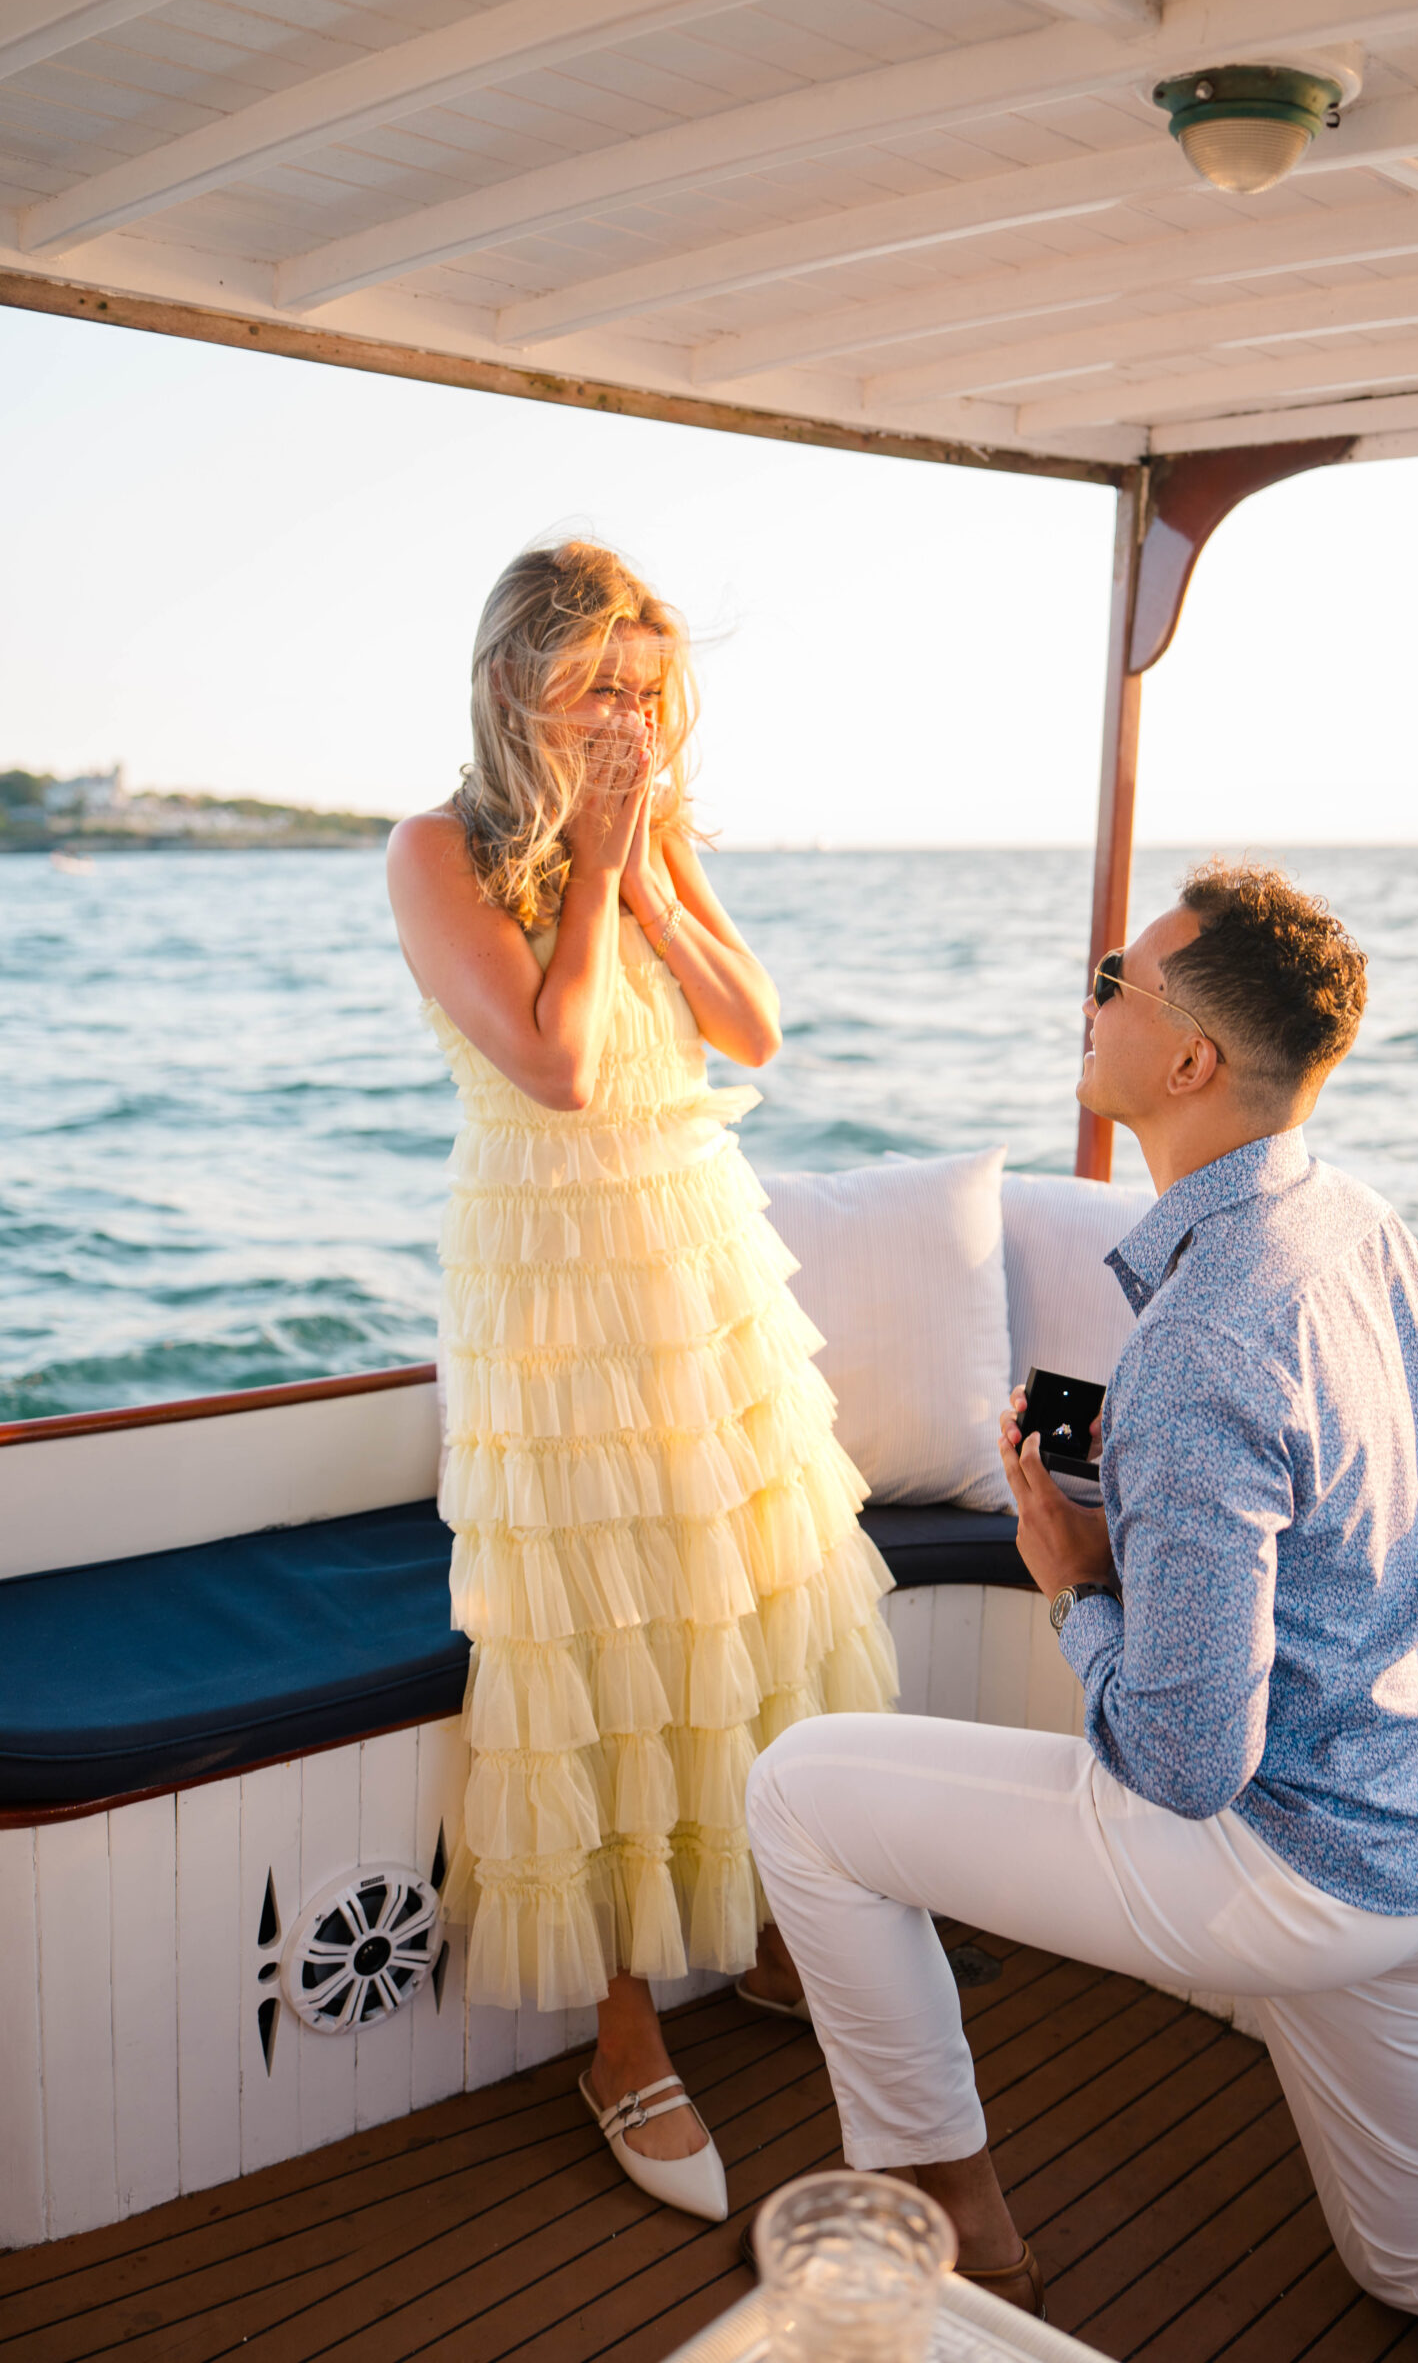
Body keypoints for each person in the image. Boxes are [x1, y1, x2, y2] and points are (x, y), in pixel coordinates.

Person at [746, 859, 1418, 2348]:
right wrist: (1155, 1550)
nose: (1090, 994)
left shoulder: (1202, 1337)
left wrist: (1073, 1586)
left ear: (1189, 1059)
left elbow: (1191, 1764)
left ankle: (959, 2234)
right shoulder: (1352, 1217)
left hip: (1289, 1868)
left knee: (801, 1790)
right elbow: (1352, 1533)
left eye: (1113, 980)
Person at [388, 537, 894, 2223]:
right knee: (584, 1643)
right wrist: (598, 861)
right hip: (552, 1280)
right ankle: (619, 2036)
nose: (627, 713)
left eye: (648, 688)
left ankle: (754, 1939)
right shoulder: (434, 853)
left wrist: (654, 869)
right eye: (599, 679)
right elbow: (551, 1063)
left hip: (698, 1252)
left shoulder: (655, 835)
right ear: (515, 680)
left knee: (742, 1600)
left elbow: (753, 1033)